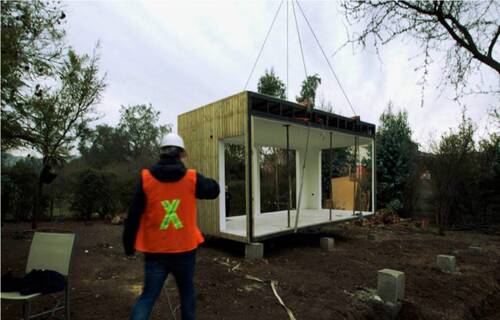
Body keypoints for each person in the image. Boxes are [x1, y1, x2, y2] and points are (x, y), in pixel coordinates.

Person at [123, 133, 219, 320]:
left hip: (155, 252)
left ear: (161, 153)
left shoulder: (146, 179)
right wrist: (215, 183)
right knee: (187, 296)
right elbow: (212, 190)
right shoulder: (192, 178)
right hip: (184, 250)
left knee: (148, 297)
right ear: (181, 154)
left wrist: (128, 246)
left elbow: (133, 215)